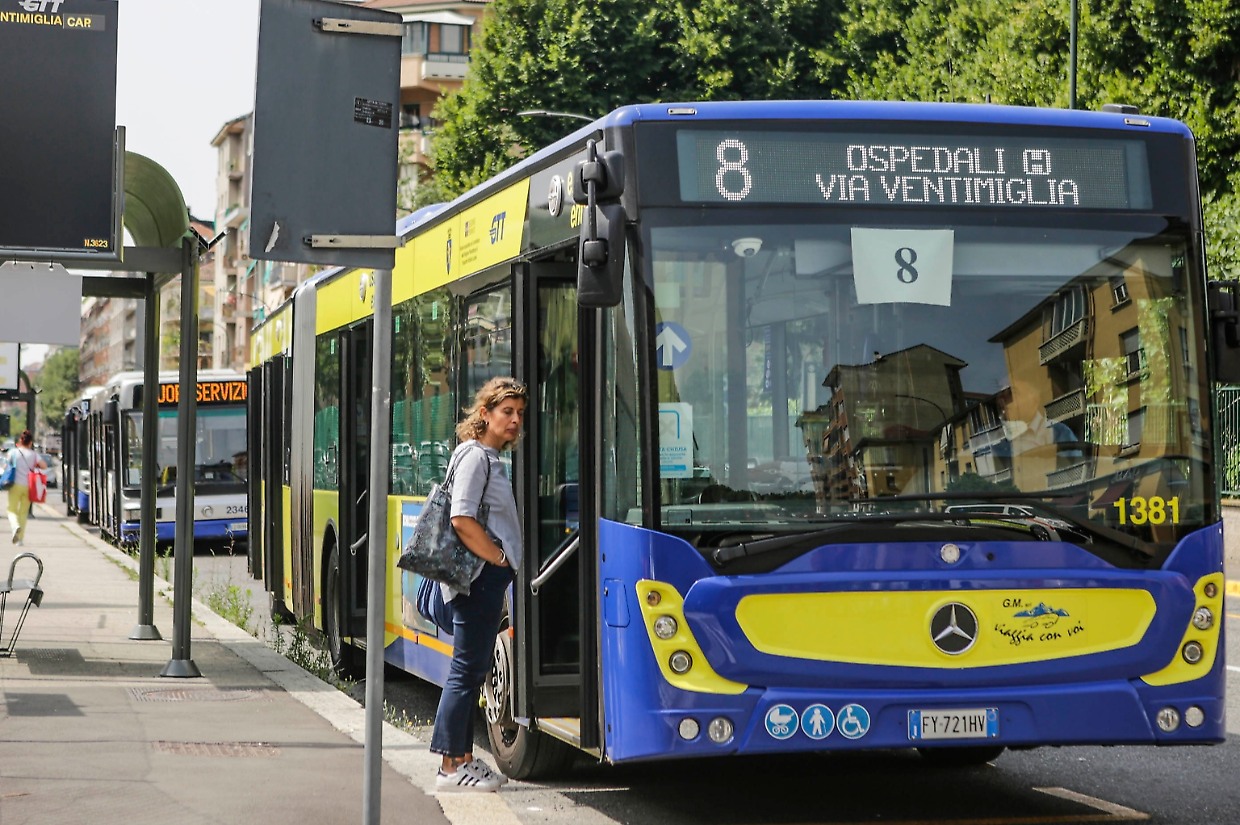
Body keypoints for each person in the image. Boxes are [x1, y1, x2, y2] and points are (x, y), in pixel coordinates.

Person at [431, 377, 527, 793]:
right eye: (507, 411)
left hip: (482, 579)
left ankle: (464, 760)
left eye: (520, 414)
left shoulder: (484, 456)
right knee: (466, 671)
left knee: (471, 670)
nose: (515, 420)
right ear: (484, 413)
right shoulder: (476, 458)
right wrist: (500, 558)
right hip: (478, 580)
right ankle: (450, 768)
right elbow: (461, 518)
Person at [7, 431, 47, 546]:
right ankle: (19, 539)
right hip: (29, 486)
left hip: (15, 485)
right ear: (30, 443)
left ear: (20, 440)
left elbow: (6, 465)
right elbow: (44, 465)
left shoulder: (13, 452)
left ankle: (15, 526)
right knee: (24, 513)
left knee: (11, 509)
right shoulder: (34, 455)